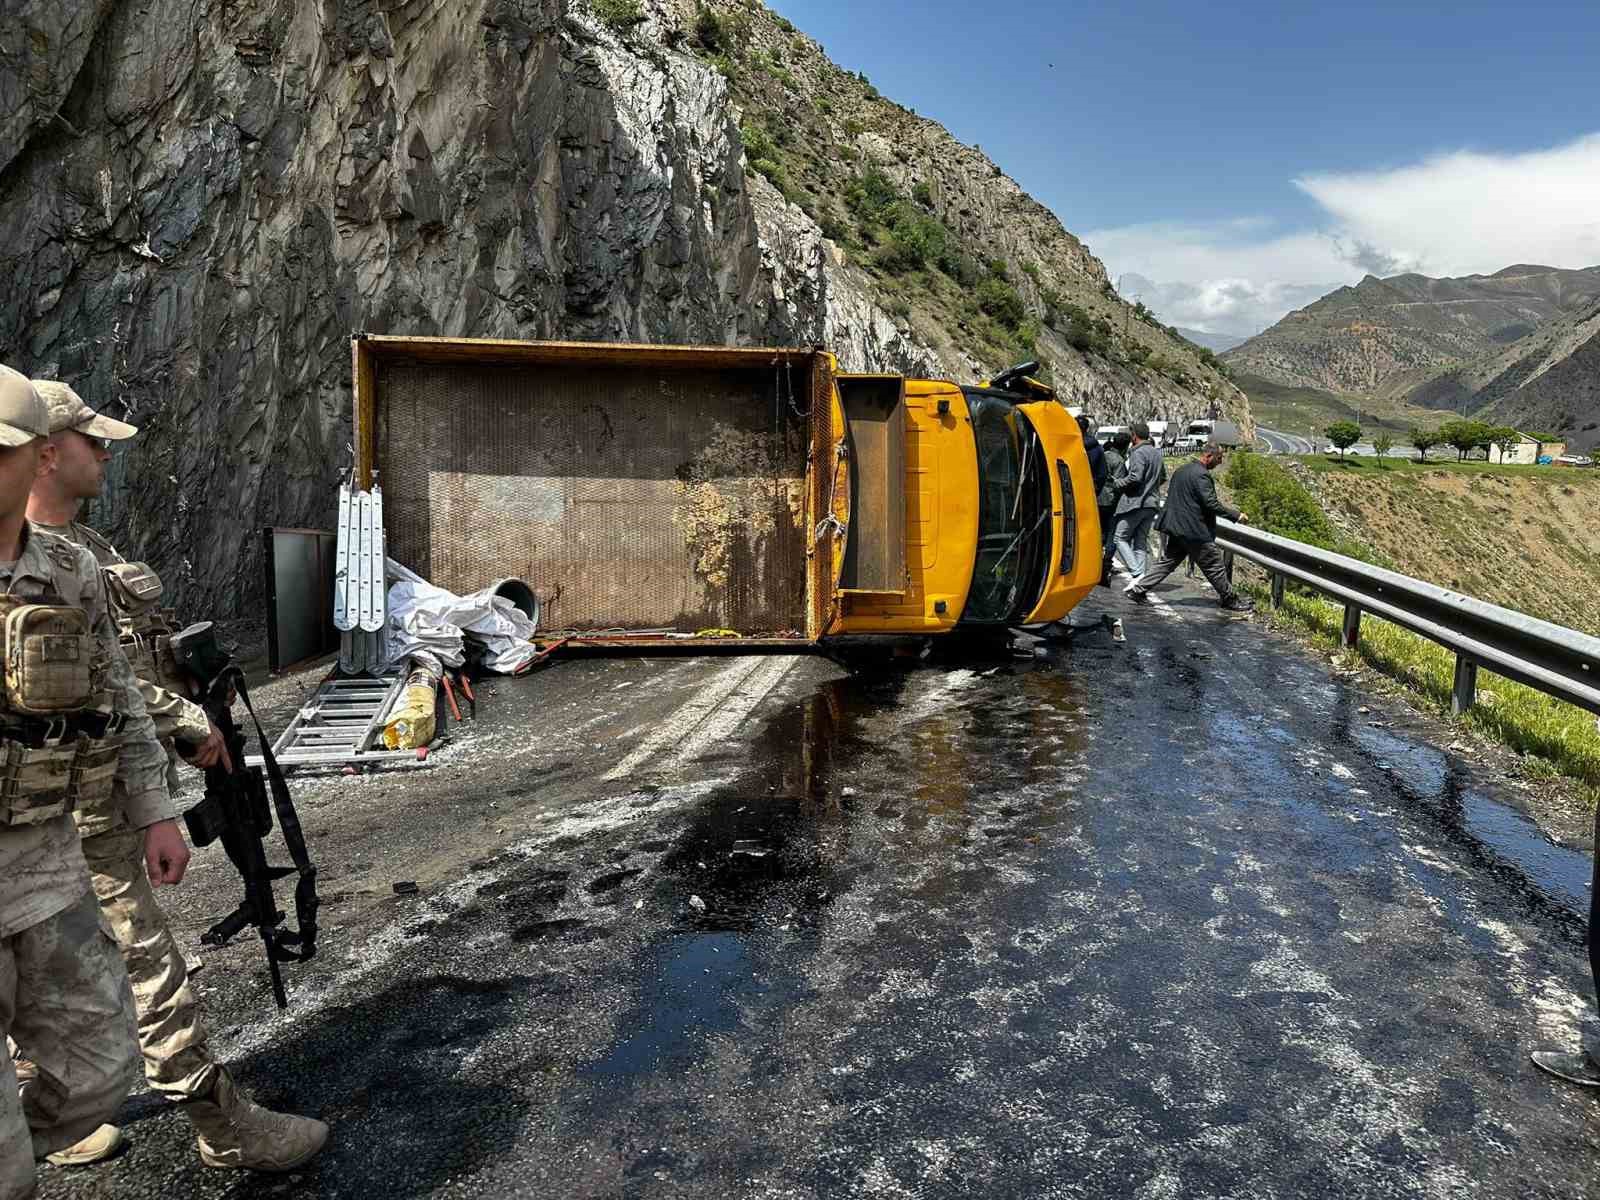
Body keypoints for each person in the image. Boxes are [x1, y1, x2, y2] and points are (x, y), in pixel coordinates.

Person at [16, 380, 330, 1175]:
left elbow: (119, 676)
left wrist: (163, 779)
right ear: (43, 454)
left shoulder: (83, 560)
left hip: (103, 795)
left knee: (59, 972)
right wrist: (175, 721)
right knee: (145, 963)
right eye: (93, 441)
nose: (107, 453)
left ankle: (48, 1116)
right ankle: (220, 1124)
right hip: (58, 811)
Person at [0, 364, 189, 1200]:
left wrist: (155, 811)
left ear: (36, 456)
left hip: (40, 858)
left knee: (101, 1065)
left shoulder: (69, 571)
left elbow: (120, 699)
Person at [1125, 442, 1255, 612]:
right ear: (1208, 456)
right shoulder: (1201, 475)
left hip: (1177, 528)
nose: (1221, 462)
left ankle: (1138, 590)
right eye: (1219, 458)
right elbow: (1210, 503)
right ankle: (1230, 599)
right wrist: (1236, 515)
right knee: (1214, 564)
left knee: (1167, 563)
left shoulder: (1182, 470)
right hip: (1194, 530)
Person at [1111, 422, 1166, 588]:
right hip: (1152, 503)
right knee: (1140, 541)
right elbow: (1162, 477)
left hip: (1137, 503)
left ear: (1134, 436)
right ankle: (1141, 580)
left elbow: (1135, 478)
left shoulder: (1138, 452)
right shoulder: (1156, 453)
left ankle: (1136, 573)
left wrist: (1119, 483)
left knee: (1119, 537)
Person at [1095, 432, 1126, 587]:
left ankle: (1094, 560)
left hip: (1097, 497)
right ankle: (1105, 565)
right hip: (1110, 500)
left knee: (1098, 531)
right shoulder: (1119, 461)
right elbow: (1119, 483)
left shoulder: (1103, 454)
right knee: (1111, 534)